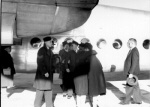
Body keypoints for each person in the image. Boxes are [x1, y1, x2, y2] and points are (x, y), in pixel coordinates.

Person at [120, 38, 142, 105]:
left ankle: (126, 102)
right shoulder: (132, 50)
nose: (129, 44)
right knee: (135, 87)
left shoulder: (134, 51)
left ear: (133, 43)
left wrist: (131, 73)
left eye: (130, 43)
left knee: (129, 87)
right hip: (133, 72)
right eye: (128, 43)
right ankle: (138, 101)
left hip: (132, 73)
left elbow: (134, 63)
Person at [33, 36, 54, 107]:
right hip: (42, 75)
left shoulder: (50, 51)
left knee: (49, 91)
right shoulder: (41, 50)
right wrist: (44, 72)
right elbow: (39, 62)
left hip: (49, 75)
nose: (52, 43)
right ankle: (36, 105)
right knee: (40, 92)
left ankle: (49, 105)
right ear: (46, 42)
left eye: (52, 41)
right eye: (50, 41)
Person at [85, 43, 106, 107]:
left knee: (94, 91)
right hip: (98, 77)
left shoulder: (89, 58)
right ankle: (97, 103)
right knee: (97, 90)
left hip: (92, 77)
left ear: (87, 49)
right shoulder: (94, 57)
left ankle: (94, 104)